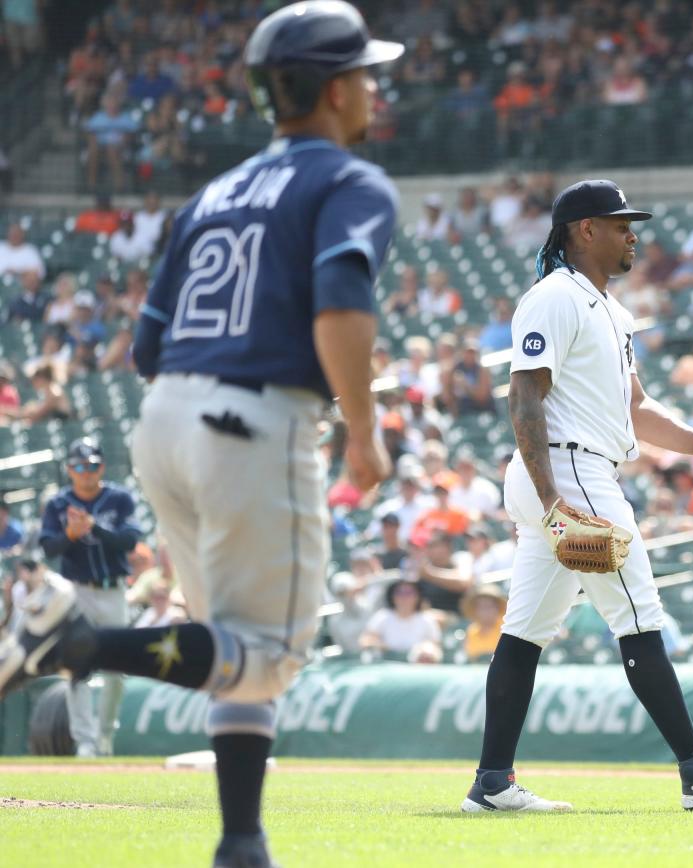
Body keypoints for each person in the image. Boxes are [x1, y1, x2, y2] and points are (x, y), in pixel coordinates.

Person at [0, 6, 403, 867]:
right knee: (272, 654)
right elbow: (340, 300)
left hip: (164, 421)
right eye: (366, 73)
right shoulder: (350, 180)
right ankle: (74, 642)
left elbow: (144, 347)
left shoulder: (210, 193)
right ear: (335, 89)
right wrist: (363, 432)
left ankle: (241, 842)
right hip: (253, 422)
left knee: (232, 650)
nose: (373, 86)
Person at [462, 179, 693, 815]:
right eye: (620, 222)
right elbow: (524, 396)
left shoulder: (614, 311)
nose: (633, 233)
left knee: (523, 633)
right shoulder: (554, 297)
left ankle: (492, 783)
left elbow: (635, 408)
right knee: (638, 614)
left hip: (571, 470)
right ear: (584, 230)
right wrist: (552, 498)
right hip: (566, 471)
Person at [37, 438, 141, 758]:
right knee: (77, 665)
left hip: (112, 590)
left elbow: (129, 541)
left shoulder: (119, 498)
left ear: (102, 467)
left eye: (92, 466)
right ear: (69, 470)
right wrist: (70, 534)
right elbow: (48, 548)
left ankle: (105, 736)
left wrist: (94, 527)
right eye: (80, 467)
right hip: (77, 592)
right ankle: (84, 741)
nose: (86, 472)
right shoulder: (58, 503)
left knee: (117, 669)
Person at [360, 579, 441, 657]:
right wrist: (379, 645)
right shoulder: (383, 616)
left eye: (409, 593)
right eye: (399, 593)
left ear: (417, 597)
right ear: (392, 596)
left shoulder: (426, 620)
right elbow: (365, 640)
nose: (404, 597)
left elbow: (435, 646)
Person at [461, 584, 507, 660]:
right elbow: (471, 658)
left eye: (489, 606)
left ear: (497, 608)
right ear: (475, 610)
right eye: (481, 607)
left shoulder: (506, 628)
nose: (485, 611)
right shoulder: (472, 630)